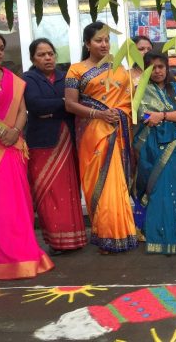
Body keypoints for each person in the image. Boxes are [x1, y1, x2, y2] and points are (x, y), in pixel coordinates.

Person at [0, 30, 54, 279]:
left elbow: (23, 110)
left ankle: (22, 253)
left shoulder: (13, 79)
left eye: (1, 46)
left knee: (17, 203)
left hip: (13, 149)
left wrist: (14, 131)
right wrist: (3, 132)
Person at [65, 21, 137, 254]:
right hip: (93, 132)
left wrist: (118, 114)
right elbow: (70, 104)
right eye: (98, 40)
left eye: (107, 40)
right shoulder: (76, 70)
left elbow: (129, 101)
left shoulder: (119, 68)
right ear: (87, 44)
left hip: (118, 130)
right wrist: (99, 113)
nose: (104, 44)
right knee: (101, 184)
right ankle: (106, 235)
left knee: (117, 184)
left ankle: (122, 234)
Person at [23, 38, 86, 255]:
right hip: (41, 142)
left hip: (68, 139)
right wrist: (66, 102)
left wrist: (61, 106)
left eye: (50, 53)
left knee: (69, 189)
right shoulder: (28, 79)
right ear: (33, 58)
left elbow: (79, 103)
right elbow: (34, 105)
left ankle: (74, 239)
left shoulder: (66, 76)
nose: (47, 58)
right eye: (41, 54)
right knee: (46, 190)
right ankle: (56, 242)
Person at [133, 51, 176, 255]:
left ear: (167, 68)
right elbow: (138, 116)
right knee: (157, 190)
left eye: (161, 66)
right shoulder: (139, 91)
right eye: (152, 67)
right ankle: (157, 238)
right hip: (150, 145)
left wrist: (162, 115)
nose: (157, 71)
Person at [130, 35, 153, 242]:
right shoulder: (126, 76)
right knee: (139, 176)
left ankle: (155, 223)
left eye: (148, 48)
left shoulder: (159, 75)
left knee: (155, 176)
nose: (144, 52)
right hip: (137, 131)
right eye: (140, 49)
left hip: (159, 133)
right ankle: (140, 225)